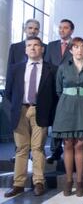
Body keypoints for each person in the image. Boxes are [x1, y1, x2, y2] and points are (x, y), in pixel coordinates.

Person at [4, 36, 58, 198]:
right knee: (21, 149)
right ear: (25, 49)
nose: (33, 48)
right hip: (19, 111)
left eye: (36, 45)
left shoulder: (51, 69)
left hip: (39, 112)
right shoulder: (15, 69)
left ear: (42, 49)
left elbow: (54, 95)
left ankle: (38, 182)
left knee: (38, 148)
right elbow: (8, 92)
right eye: (29, 45)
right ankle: (18, 184)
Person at [52, 37, 83, 197]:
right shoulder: (63, 67)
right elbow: (58, 89)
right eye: (76, 47)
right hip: (66, 107)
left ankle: (80, 181)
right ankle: (69, 181)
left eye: (82, 47)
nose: (79, 50)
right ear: (71, 50)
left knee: (80, 145)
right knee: (68, 144)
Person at [44, 18, 75, 164]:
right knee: (55, 120)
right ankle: (55, 151)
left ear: (71, 31)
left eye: (66, 28)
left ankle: (72, 149)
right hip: (52, 89)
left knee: (68, 120)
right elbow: (46, 67)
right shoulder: (51, 46)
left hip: (69, 90)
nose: (62, 30)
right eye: (60, 27)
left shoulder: (77, 46)